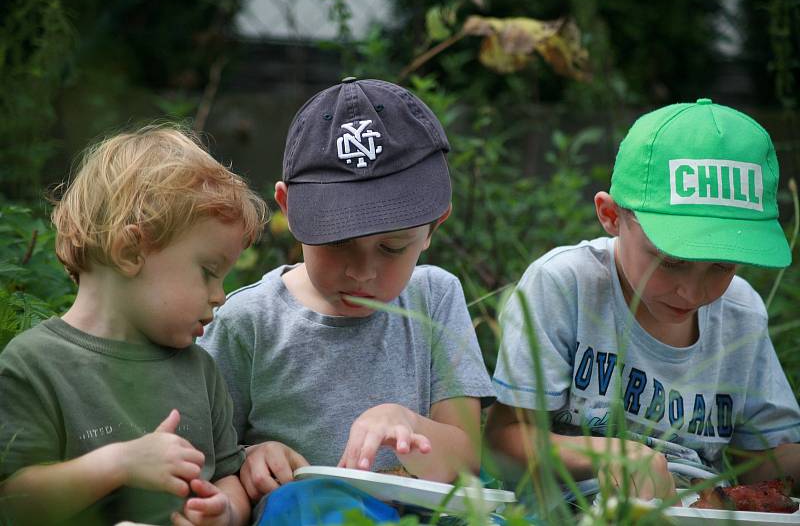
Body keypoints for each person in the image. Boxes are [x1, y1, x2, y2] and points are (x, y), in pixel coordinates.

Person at [198, 77, 496, 517]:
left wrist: (409, 425)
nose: (361, 271)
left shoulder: (435, 297)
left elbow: (466, 455)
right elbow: (208, 457)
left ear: (434, 226)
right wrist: (249, 459)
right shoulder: (249, 321)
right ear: (288, 208)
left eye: (392, 248)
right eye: (336, 243)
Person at [486, 98, 800, 503]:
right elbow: (501, 444)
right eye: (670, 263)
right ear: (612, 215)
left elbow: (756, 460)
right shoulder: (565, 285)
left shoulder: (741, 311)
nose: (692, 291)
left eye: (722, 266)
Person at [0, 125, 268, 526]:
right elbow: (14, 503)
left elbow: (229, 477)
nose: (220, 296)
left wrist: (225, 511)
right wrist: (119, 463)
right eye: (209, 272)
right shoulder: (35, 365)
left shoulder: (199, 370)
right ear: (129, 252)